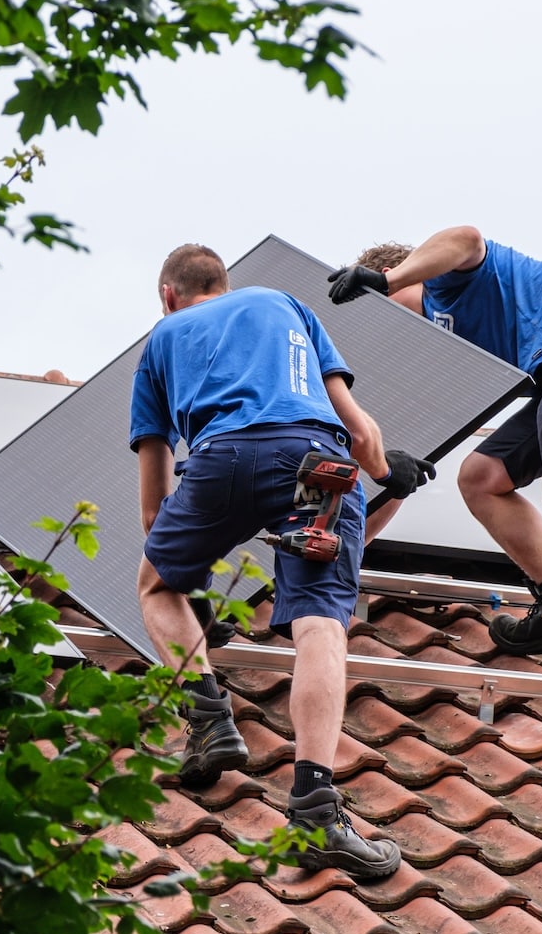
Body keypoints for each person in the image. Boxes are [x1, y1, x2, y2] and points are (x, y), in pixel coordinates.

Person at [132, 244, 427, 880]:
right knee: (321, 624)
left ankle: (210, 721)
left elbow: (154, 507)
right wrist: (387, 473)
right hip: (313, 458)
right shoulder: (282, 303)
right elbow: (356, 426)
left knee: (155, 587)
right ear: (225, 283)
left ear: (168, 295)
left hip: (218, 461)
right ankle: (316, 811)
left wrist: (186, 576)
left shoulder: (160, 339)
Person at [326, 228, 542, 687]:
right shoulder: (451, 340)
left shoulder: (443, 281)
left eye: (387, 307)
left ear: (392, 275)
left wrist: (387, 283)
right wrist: (352, 540)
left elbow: (466, 238)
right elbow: (409, 459)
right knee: (481, 476)